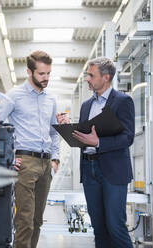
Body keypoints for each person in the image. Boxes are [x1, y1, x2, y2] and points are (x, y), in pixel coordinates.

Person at [56, 57, 134, 248]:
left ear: (106, 77)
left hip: (113, 171)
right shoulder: (86, 106)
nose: (87, 79)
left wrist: (98, 142)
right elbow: (84, 137)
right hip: (89, 169)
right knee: (98, 227)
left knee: (115, 226)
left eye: (91, 75)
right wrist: (68, 128)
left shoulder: (123, 102)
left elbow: (127, 137)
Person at [0, 50, 60, 248]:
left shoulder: (51, 99)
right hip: (25, 162)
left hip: (45, 163)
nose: (46, 78)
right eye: (42, 74)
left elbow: (54, 131)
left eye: (48, 73)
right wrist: (8, 157)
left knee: (37, 220)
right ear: (29, 71)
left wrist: (55, 158)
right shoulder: (14, 96)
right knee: (24, 219)